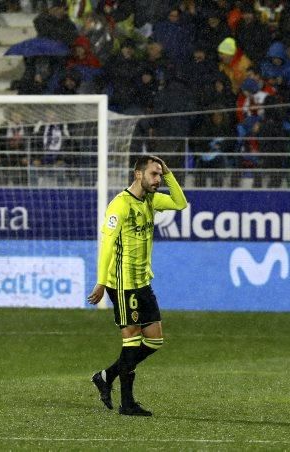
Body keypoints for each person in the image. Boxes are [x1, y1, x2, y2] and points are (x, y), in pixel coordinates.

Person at [87, 155, 187, 416]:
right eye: (153, 174)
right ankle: (127, 403)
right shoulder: (119, 205)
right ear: (137, 174)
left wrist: (168, 173)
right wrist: (100, 282)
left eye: (159, 175)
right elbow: (107, 245)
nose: (158, 180)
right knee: (131, 340)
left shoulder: (151, 200)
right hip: (122, 283)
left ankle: (106, 376)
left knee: (155, 340)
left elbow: (180, 202)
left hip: (143, 281)